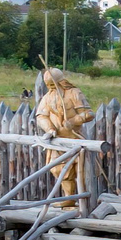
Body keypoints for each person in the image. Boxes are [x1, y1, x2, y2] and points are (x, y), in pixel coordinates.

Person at [34, 67, 95, 199]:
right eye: (48, 86)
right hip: (58, 141)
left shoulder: (74, 93)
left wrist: (74, 121)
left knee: (81, 171)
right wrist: (50, 128)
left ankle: (83, 200)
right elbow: (41, 116)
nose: (51, 88)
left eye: (53, 84)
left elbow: (89, 114)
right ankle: (69, 198)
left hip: (75, 139)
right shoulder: (47, 98)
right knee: (58, 169)